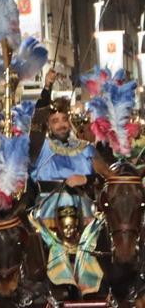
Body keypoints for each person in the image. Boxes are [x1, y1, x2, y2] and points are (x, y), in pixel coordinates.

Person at [28, 98, 95, 232]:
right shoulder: (41, 147)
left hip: (83, 212)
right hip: (48, 212)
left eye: (64, 119)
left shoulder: (85, 148)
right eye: (55, 121)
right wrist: (47, 88)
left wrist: (86, 179)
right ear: (48, 125)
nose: (61, 125)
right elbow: (36, 124)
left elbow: (101, 175)